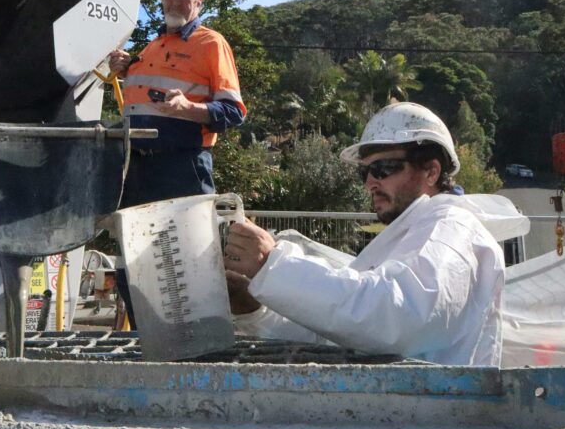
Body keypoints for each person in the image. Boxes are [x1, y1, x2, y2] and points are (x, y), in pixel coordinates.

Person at [223, 102, 522, 366]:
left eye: (383, 168)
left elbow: (399, 317)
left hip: (433, 419)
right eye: (364, 172)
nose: (369, 183)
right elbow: (336, 335)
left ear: (431, 171)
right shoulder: (410, 234)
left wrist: (273, 263)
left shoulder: (451, 228)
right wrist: (253, 307)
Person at [109, 0, 246, 324]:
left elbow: (233, 113)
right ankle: (145, 339)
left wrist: (188, 108)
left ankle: (199, 345)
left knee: (188, 265)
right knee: (133, 262)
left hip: (182, 167)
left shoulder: (211, 43)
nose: (175, 0)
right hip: (137, 169)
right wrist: (126, 68)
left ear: (198, 0)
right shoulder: (152, 46)